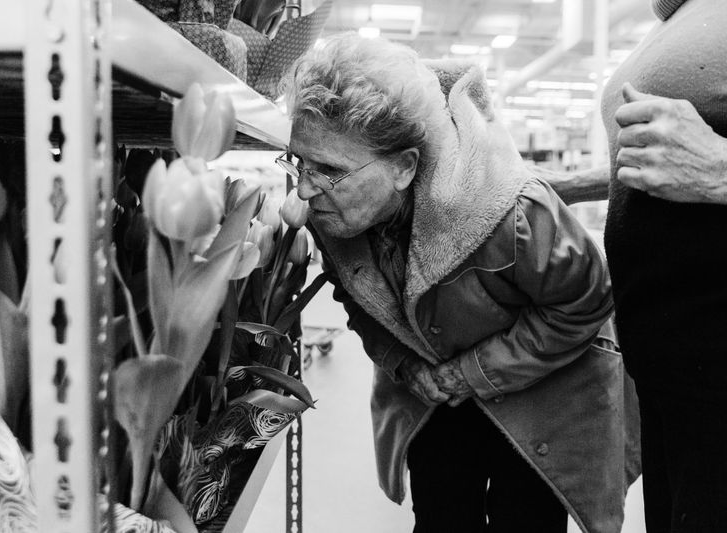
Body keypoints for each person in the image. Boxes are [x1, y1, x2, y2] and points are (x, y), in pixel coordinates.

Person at [279, 33, 640, 533]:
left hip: (543, 388)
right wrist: (406, 365)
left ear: (404, 166)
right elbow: (358, 298)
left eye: (328, 170)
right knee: (442, 514)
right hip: (433, 394)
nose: (303, 189)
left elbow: (582, 305)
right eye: (298, 161)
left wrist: (462, 374)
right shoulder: (334, 210)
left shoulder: (512, 211)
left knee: (527, 518)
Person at [543, 1, 727, 530]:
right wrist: (571, 186)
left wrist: (718, 169)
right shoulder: (683, 18)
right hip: (671, 371)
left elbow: (705, 158)